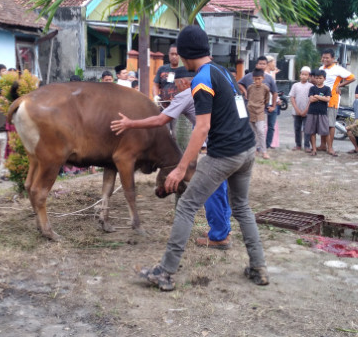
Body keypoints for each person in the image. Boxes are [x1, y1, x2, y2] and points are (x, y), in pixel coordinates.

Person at [139, 25, 268, 291]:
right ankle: (258, 267)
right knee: (242, 207)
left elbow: (202, 127)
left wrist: (180, 169)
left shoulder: (201, 80)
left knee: (186, 206)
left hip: (225, 154)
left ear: (185, 56)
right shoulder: (223, 72)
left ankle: (165, 271)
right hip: (247, 149)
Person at [110, 67, 233, 249]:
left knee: (209, 190)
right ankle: (223, 229)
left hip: (216, 146)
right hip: (232, 142)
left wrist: (130, 123)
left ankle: (218, 237)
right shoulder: (213, 88)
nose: (174, 91)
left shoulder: (186, 94)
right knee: (221, 189)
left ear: (183, 82)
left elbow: (160, 120)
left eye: (175, 86)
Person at [318, 49, 355, 156]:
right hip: (321, 99)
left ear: (333, 58)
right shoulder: (321, 68)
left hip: (332, 99)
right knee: (322, 124)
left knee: (330, 124)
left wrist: (340, 85)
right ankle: (322, 145)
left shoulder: (338, 69)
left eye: (327, 58)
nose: (325, 59)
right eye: (323, 57)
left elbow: (352, 78)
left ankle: (330, 147)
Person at [238, 56, 278, 149]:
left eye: (264, 64)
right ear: (256, 64)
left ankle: (264, 148)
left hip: (261, 109)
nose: (262, 65)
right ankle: (251, 147)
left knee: (261, 129)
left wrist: (273, 106)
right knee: (250, 128)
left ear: (266, 65)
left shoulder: (269, 78)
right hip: (250, 107)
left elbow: (274, 92)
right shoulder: (249, 76)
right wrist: (245, 91)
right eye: (260, 63)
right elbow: (239, 83)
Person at [305, 70, 331, 156]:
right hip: (312, 112)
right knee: (312, 131)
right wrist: (321, 97)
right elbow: (311, 99)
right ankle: (314, 149)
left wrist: (317, 96)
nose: (318, 80)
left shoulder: (327, 88)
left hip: (323, 113)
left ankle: (330, 149)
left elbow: (328, 99)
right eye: (317, 78)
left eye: (320, 78)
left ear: (324, 79)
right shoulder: (312, 88)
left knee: (325, 131)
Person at [246, 69, 271, 159]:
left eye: (259, 79)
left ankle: (264, 151)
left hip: (260, 111)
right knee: (253, 132)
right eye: (255, 79)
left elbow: (267, 99)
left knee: (261, 131)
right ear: (253, 78)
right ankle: (255, 149)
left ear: (263, 78)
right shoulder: (250, 88)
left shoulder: (265, 88)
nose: (257, 81)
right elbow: (248, 97)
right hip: (250, 111)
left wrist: (263, 106)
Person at [289, 66, 313, 152]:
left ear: (309, 76)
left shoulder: (311, 86)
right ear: (300, 75)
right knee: (297, 128)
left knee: (307, 129)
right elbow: (292, 98)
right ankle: (298, 145)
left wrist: (306, 110)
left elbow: (311, 99)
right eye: (302, 74)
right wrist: (297, 110)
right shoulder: (295, 85)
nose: (304, 76)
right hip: (296, 112)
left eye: (306, 75)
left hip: (307, 112)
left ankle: (307, 145)